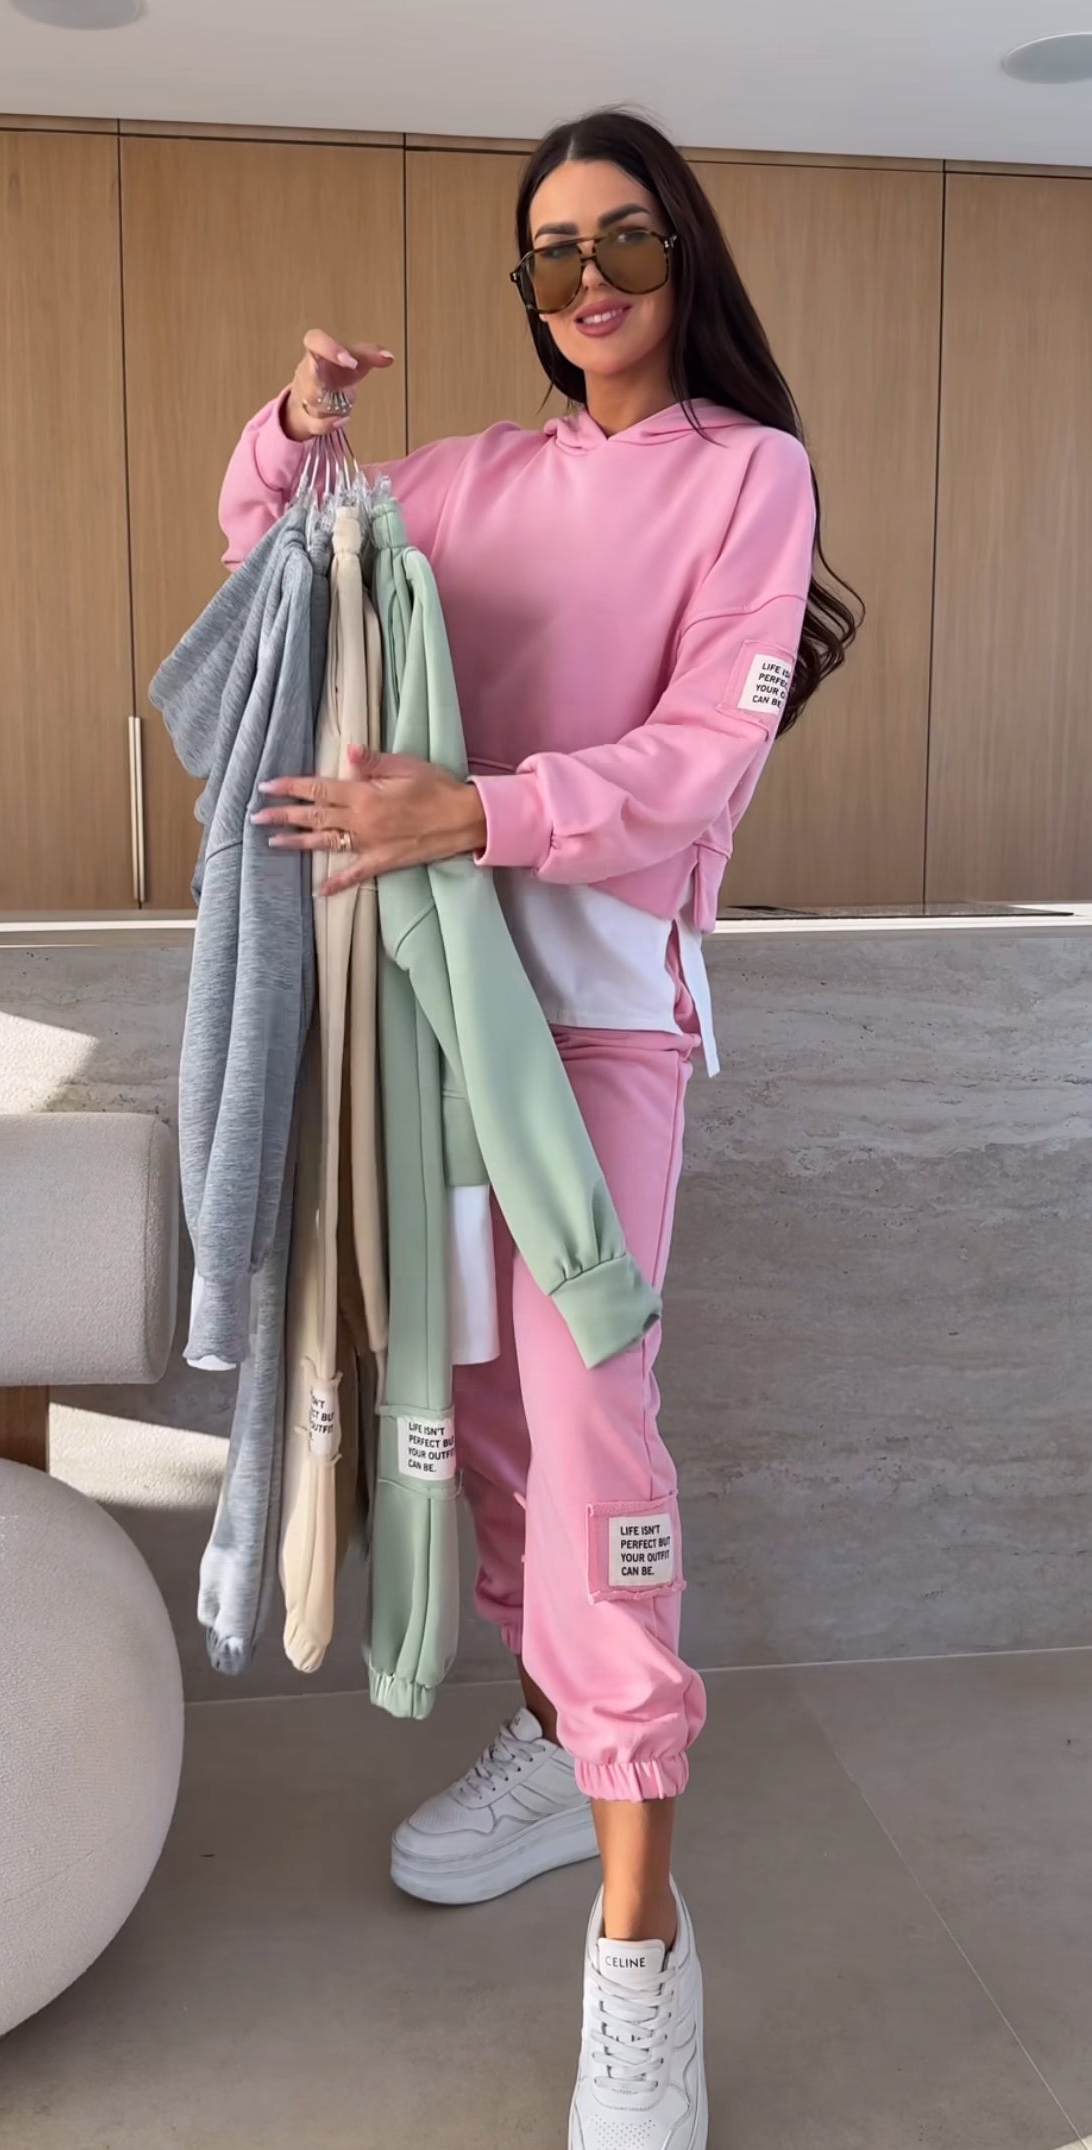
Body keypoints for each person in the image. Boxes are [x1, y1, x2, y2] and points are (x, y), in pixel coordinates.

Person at [224, 107, 857, 2150]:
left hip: (597, 1027)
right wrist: (295, 427)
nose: (591, 277)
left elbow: (694, 766)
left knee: (594, 1436)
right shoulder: (466, 479)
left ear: (686, 257)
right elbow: (277, 568)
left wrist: (476, 810)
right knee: (482, 1418)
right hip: (421, 1021)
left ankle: (640, 1949)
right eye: (555, 249)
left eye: (627, 238)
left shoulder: (749, 475)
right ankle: (549, 1730)